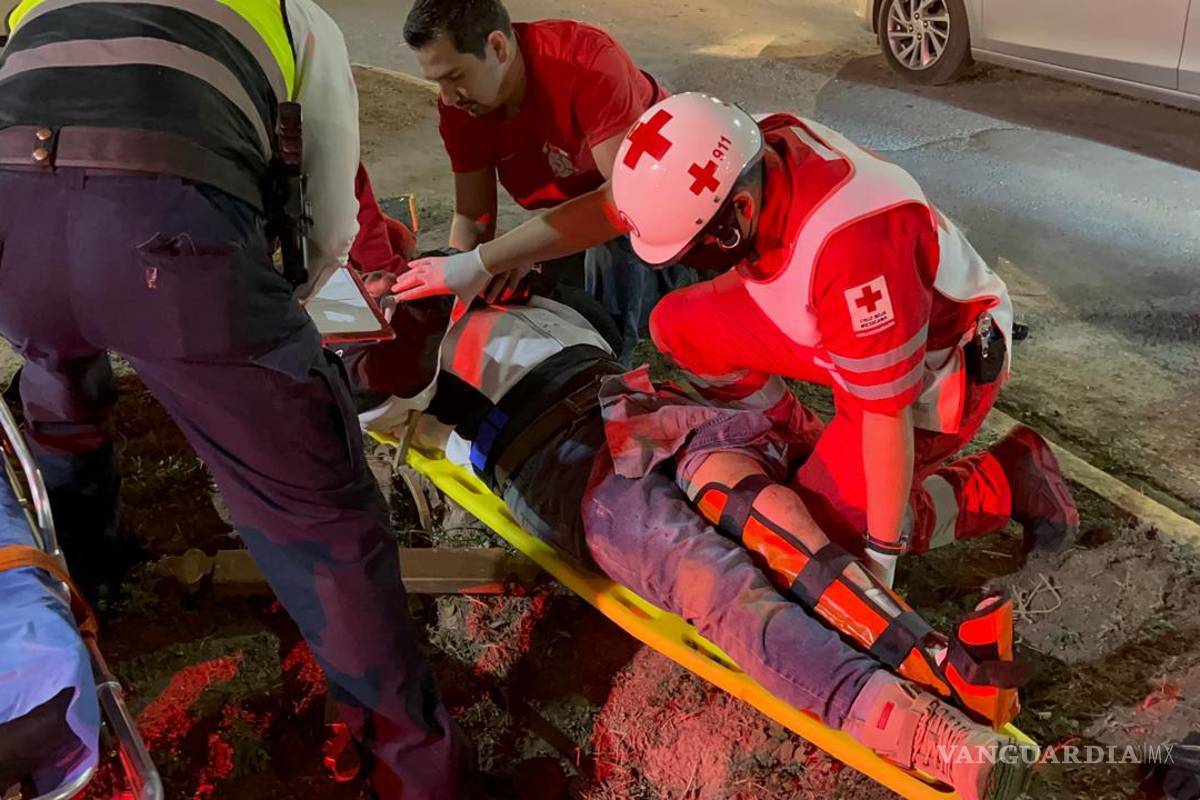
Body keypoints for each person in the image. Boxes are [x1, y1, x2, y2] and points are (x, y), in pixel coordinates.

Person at [0, 2, 472, 796]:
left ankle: (89, 566)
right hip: (162, 242)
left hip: (13, 233)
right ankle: (414, 765)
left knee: (59, 374)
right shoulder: (295, 19)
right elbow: (324, 226)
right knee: (315, 513)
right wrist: (268, 339)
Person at [345, 289, 1034, 800]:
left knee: (775, 523)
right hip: (561, 459)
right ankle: (925, 735)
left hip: (647, 406)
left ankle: (942, 665)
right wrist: (413, 305)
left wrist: (481, 271)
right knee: (722, 586)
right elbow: (378, 387)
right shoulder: (395, 342)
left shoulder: (509, 287)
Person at [600, 93, 1080, 590]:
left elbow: (886, 414)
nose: (689, 263)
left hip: (936, 361)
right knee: (679, 326)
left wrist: (878, 560)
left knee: (823, 535)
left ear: (739, 209)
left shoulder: (854, 244)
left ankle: (1005, 481)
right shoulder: (740, 151)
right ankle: (796, 443)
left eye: (694, 249)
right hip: (840, 322)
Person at [398, 0, 694, 365]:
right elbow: (474, 220)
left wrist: (495, 257)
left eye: (455, 76)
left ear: (498, 47)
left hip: (668, 211)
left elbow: (623, 204)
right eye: (437, 81)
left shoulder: (586, 62)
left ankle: (610, 372)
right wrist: (456, 289)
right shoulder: (462, 107)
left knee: (606, 263)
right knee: (522, 288)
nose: (446, 97)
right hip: (579, 207)